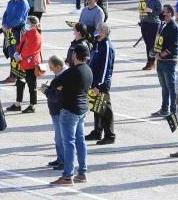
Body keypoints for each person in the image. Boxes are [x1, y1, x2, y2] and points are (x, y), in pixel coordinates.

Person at [48, 44, 93, 185]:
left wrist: (62, 87)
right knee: (80, 141)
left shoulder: (72, 71)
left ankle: (67, 176)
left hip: (70, 110)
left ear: (75, 55)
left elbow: (54, 83)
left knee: (68, 143)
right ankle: (82, 173)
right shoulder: (88, 70)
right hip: (82, 109)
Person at [85, 23, 116, 145]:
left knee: (105, 109)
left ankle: (110, 134)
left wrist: (99, 84)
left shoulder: (107, 46)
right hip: (94, 81)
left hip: (101, 83)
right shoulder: (98, 43)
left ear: (104, 31)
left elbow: (106, 68)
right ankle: (97, 131)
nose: (96, 31)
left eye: (98, 29)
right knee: (96, 107)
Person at [8, 16, 42, 113]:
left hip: (30, 63)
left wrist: (21, 56)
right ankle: (18, 103)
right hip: (22, 62)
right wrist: (17, 52)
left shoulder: (35, 35)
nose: (26, 24)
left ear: (33, 24)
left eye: (28, 22)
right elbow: (21, 44)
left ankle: (32, 105)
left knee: (32, 85)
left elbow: (32, 49)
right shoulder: (28, 33)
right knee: (20, 83)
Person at [152, 5, 178, 118]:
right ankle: (164, 109)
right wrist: (155, 52)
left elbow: (173, 47)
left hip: (169, 61)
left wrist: (161, 55)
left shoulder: (174, 27)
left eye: (163, 12)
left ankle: (173, 111)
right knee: (164, 86)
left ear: (169, 13)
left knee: (171, 86)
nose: (161, 13)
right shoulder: (163, 24)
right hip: (161, 60)